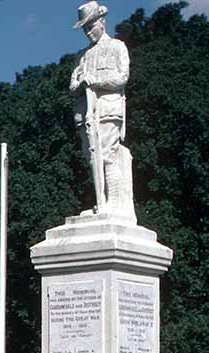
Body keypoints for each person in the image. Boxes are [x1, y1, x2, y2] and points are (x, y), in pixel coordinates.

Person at [69, 1, 136, 221]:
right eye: (85, 29)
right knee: (92, 159)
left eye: (91, 26)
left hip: (108, 109)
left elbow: (121, 77)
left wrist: (96, 81)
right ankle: (101, 201)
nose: (88, 32)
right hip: (85, 113)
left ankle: (113, 204)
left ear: (102, 22)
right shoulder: (82, 56)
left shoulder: (117, 47)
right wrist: (81, 84)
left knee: (107, 155)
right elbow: (72, 86)